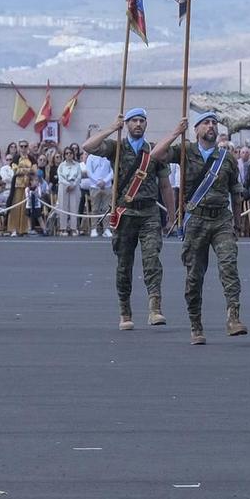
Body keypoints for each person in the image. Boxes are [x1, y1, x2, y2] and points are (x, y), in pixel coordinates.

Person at [82, 107, 184, 331]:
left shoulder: (155, 150)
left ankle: (155, 308)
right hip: (124, 212)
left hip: (149, 212)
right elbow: (87, 147)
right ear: (127, 124)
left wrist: (171, 215)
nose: (138, 124)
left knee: (152, 261)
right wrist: (111, 128)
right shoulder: (116, 147)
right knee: (124, 264)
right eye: (133, 121)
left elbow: (165, 185)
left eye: (142, 121)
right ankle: (125, 311)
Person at [173, 107, 246, 345]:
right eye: (206, 123)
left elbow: (236, 191)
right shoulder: (185, 151)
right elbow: (157, 155)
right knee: (194, 275)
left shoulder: (227, 158)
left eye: (214, 123)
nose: (211, 126)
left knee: (229, 266)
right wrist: (176, 132)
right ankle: (195, 324)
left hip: (221, 219)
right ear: (196, 130)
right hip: (195, 219)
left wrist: (238, 221)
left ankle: (233, 317)